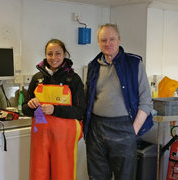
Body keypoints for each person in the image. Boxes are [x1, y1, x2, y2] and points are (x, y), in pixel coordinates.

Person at [84, 23, 153, 180]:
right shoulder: (93, 66)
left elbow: (146, 101)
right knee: (97, 175)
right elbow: (87, 98)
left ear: (119, 40)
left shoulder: (134, 64)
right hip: (96, 128)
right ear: (98, 42)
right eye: (103, 40)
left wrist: (133, 131)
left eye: (112, 39)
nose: (108, 44)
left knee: (125, 176)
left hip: (124, 128)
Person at [22, 39, 85, 180]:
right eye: (49, 54)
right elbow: (24, 109)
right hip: (40, 136)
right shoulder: (37, 78)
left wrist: (55, 110)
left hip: (64, 138)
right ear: (45, 55)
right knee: (38, 174)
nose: (53, 58)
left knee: (63, 174)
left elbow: (80, 111)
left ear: (64, 54)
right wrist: (31, 106)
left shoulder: (73, 79)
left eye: (58, 53)